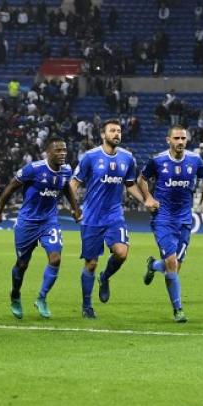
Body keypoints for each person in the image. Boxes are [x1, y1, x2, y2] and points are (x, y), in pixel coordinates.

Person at [70, 119, 156, 319]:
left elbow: (130, 184)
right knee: (91, 263)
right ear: (103, 134)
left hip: (114, 215)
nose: (117, 134)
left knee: (121, 253)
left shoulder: (128, 158)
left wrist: (146, 200)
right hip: (91, 216)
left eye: (119, 131)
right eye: (112, 131)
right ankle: (87, 305)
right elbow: (74, 183)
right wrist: (74, 208)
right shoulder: (90, 157)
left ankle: (105, 277)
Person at [0, 137, 81, 320]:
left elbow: (66, 188)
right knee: (22, 264)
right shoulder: (34, 169)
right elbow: (10, 188)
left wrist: (74, 207)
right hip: (28, 223)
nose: (62, 153)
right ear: (49, 153)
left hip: (49, 221)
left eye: (64, 150)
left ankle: (42, 298)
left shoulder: (66, 170)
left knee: (55, 259)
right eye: (58, 150)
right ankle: (15, 294)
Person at [139, 125, 203, 323]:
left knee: (174, 268)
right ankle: (178, 310)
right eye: (177, 138)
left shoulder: (195, 160)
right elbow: (142, 179)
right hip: (163, 218)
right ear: (168, 140)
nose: (180, 141)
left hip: (185, 220)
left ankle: (154, 265)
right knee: (172, 264)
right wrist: (148, 198)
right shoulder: (158, 160)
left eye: (183, 138)